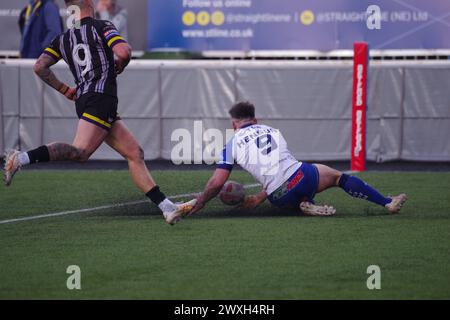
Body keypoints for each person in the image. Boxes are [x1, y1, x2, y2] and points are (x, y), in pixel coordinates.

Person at [4, 0, 195, 225]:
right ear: (86, 2)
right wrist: (120, 65)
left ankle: (167, 208)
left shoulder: (63, 38)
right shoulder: (100, 26)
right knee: (81, 152)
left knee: (135, 153)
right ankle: (21, 158)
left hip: (87, 98)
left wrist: (65, 89)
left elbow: (39, 66)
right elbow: (124, 52)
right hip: (101, 97)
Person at [189, 101, 407, 217]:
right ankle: (387, 203)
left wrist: (201, 202)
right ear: (255, 120)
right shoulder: (272, 130)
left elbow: (217, 183)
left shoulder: (231, 144)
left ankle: (302, 204)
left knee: (282, 186)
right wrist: (258, 197)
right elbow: (283, 167)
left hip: (278, 196)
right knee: (337, 177)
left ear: (233, 125)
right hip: (301, 176)